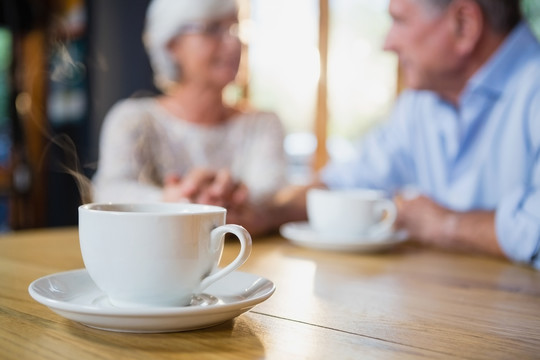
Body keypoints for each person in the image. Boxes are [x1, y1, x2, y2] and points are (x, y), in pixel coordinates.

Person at [213, 0, 540, 269]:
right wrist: (261, 211)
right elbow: (346, 181)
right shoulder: (421, 103)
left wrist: (444, 225)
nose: (387, 43)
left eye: (399, 21)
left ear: (464, 25)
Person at [92, 0, 288, 209]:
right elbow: (108, 191)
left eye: (234, 28)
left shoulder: (262, 125)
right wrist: (174, 199)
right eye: (212, 28)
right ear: (171, 45)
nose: (233, 43)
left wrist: (227, 197)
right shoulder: (133, 120)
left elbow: (273, 197)